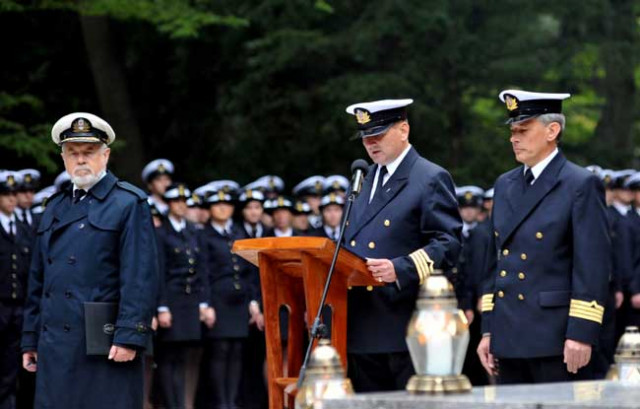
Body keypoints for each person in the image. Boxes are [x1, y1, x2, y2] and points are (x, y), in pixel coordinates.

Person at [21, 112, 158, 408]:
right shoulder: (54, 207)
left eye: (89, 152)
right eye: (73, 153)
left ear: (105, 155)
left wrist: (129, 336)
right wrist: (30, 338)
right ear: (63, 157)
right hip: (55, 343)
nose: (81, 160)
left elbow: (140, 275)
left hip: (103, 342)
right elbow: (38, 280)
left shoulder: (128, 203)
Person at [477, 90, 611, 384]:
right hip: (508, 333)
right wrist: (489, 330)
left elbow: (592, 266)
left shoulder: (580, 184)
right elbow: (493, 264)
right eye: (512, 131)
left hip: (556, 336)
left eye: (523, 130)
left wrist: (581, 333)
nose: (514, 138)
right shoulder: (505, 184)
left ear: (553, 130)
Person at [342, 98, 462, 392]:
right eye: (365, 138)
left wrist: (402, 267)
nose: (370, 143)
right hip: (360, 320)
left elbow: (449, 243)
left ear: (404, 129)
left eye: (378, 135)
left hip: (403, 322)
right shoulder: (364, 180)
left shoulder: (429, 177)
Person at [200, 186, 261, 409]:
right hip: (218, 299)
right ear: (210, 209)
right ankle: (220, 402)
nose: (223, 208)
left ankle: (232, 401)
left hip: (239, 299)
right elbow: (203, 271)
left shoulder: (238, 232)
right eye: (217, 205)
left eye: (226, 205)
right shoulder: (204, 235)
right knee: (220, 350)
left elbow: (250, 270)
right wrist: (205, 304)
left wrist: (253, 302)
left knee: (237, 350)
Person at [154, 182, 214, 409]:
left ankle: (181, 403)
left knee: (184, 356)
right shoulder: (161, 232)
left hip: (189, 301)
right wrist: (161, 307)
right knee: (169, 358)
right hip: (172, 299)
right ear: (169, 204)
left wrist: (203, 302)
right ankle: (172, 403)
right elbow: (159, 271)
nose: (180, 206)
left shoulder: (192, 231)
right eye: (175, 202)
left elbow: (202, 270)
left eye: (183, 202)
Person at [0, 171, 33, 409]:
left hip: (18, 306)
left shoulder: (22, 228)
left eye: (14, 194)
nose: (12, 199)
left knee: (12, 365)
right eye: (6, 195)